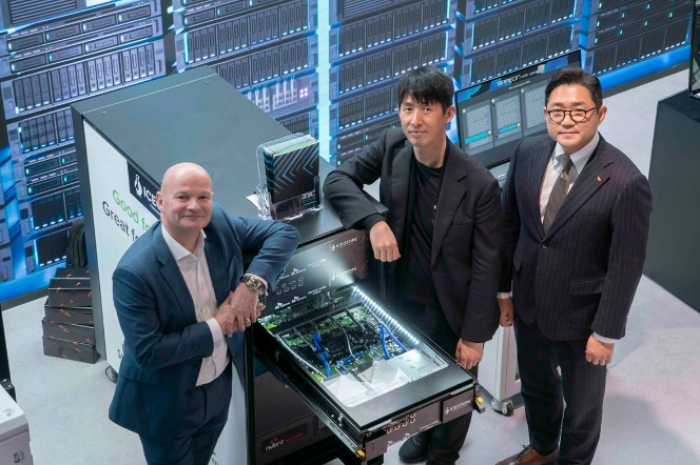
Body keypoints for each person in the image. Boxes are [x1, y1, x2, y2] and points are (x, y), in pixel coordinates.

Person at [324, 66, 502, 465]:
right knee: (404, 379)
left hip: (447, 308)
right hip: (396, 298)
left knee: (453, 390)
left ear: (449, 114)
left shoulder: (479, 185)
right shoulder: (392, 145)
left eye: (426, 109)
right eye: (407, 108)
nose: (414, 120)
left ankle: (443, 453)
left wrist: (475, 336)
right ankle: (422, 437)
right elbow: (337, 180)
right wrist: (374, 221)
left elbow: (488, 265)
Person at [496, 68, 652, 465]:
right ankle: (543, 447)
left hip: (584, 320)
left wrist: (606, 332)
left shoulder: (626, 183)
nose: (566, 120)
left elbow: (625, 265)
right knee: (537, 387)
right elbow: (509, 225)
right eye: (557, 111)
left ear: (600, 115)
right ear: (545, 114)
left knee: (582, 409)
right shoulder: (527, 153)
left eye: (579, 111)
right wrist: (504, 291)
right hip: (529, 301)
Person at [108, 162, 300, 465]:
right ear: (160, 201)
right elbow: (149, 351)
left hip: (217, 388)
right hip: (166, 402)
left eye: (204, 197)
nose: (194, 207)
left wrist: (249, 286)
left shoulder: (219, 224)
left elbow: (284, 233)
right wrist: (219, 324)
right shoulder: (134, 273)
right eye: (182, 197)